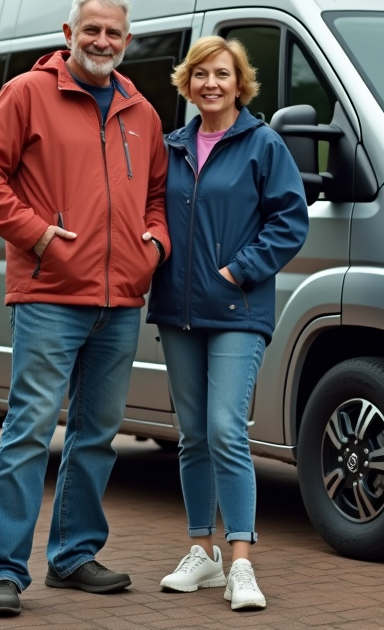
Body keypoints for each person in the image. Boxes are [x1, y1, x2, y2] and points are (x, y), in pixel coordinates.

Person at [0, 0, 169, 617]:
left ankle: (74, 556)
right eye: (92, 30)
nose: (102, 41)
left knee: (97, 435)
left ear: (127, 42)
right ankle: (1, 571)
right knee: (28, 433)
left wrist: (153, 246)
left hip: (121, 300)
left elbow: (158, 195)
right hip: (50, 293)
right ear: (69, 31)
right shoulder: (27, 93)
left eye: (113, 33)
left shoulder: (143, 113)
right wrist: (39, 236)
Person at [146, 36, 309, 611]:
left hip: (238, 310)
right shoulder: (171, 147)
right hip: (178, 311)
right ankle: (202, 552)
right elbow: (151, 212)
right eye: (200, 75)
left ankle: (241, 561)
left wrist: (241, 270)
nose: (210, 84)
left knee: (224, 429)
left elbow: (291, 220)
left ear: (241, 84)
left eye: (222, 74)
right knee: (192, 435)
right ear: (187, 84)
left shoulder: (263, 145)